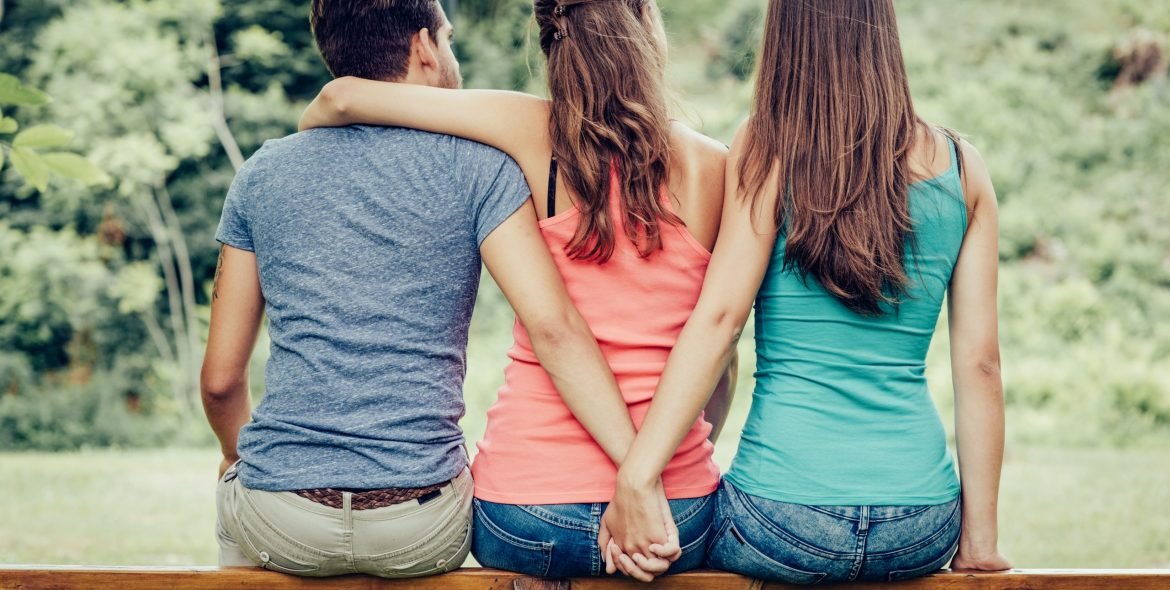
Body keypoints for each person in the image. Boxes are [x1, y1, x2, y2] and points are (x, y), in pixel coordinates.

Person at [298, 0, 732, 580]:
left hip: (527, 511)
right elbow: (717, 357)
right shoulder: (713, 165)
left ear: (553, 44)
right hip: (678, 511)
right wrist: (657, 476)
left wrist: (299, 154)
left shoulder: (527, 128)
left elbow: (341, 97)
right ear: (647, 30)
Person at [201, 0, 631, 578]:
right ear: (425, 47)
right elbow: (552, 325)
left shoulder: (261, 172)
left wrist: (237, 456)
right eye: (448, 39)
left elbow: (221, 381)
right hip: (421, 522)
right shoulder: (482, 167)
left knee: (236, 500)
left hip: (281, 516)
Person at [602, 0, 1012, 583]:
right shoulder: (961, 168)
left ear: (784, 37)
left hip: (782, 516)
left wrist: (636, 476)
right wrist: (979, 541)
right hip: (920, 523)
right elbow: (980, 365)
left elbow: (721, 320)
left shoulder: (766, 148)